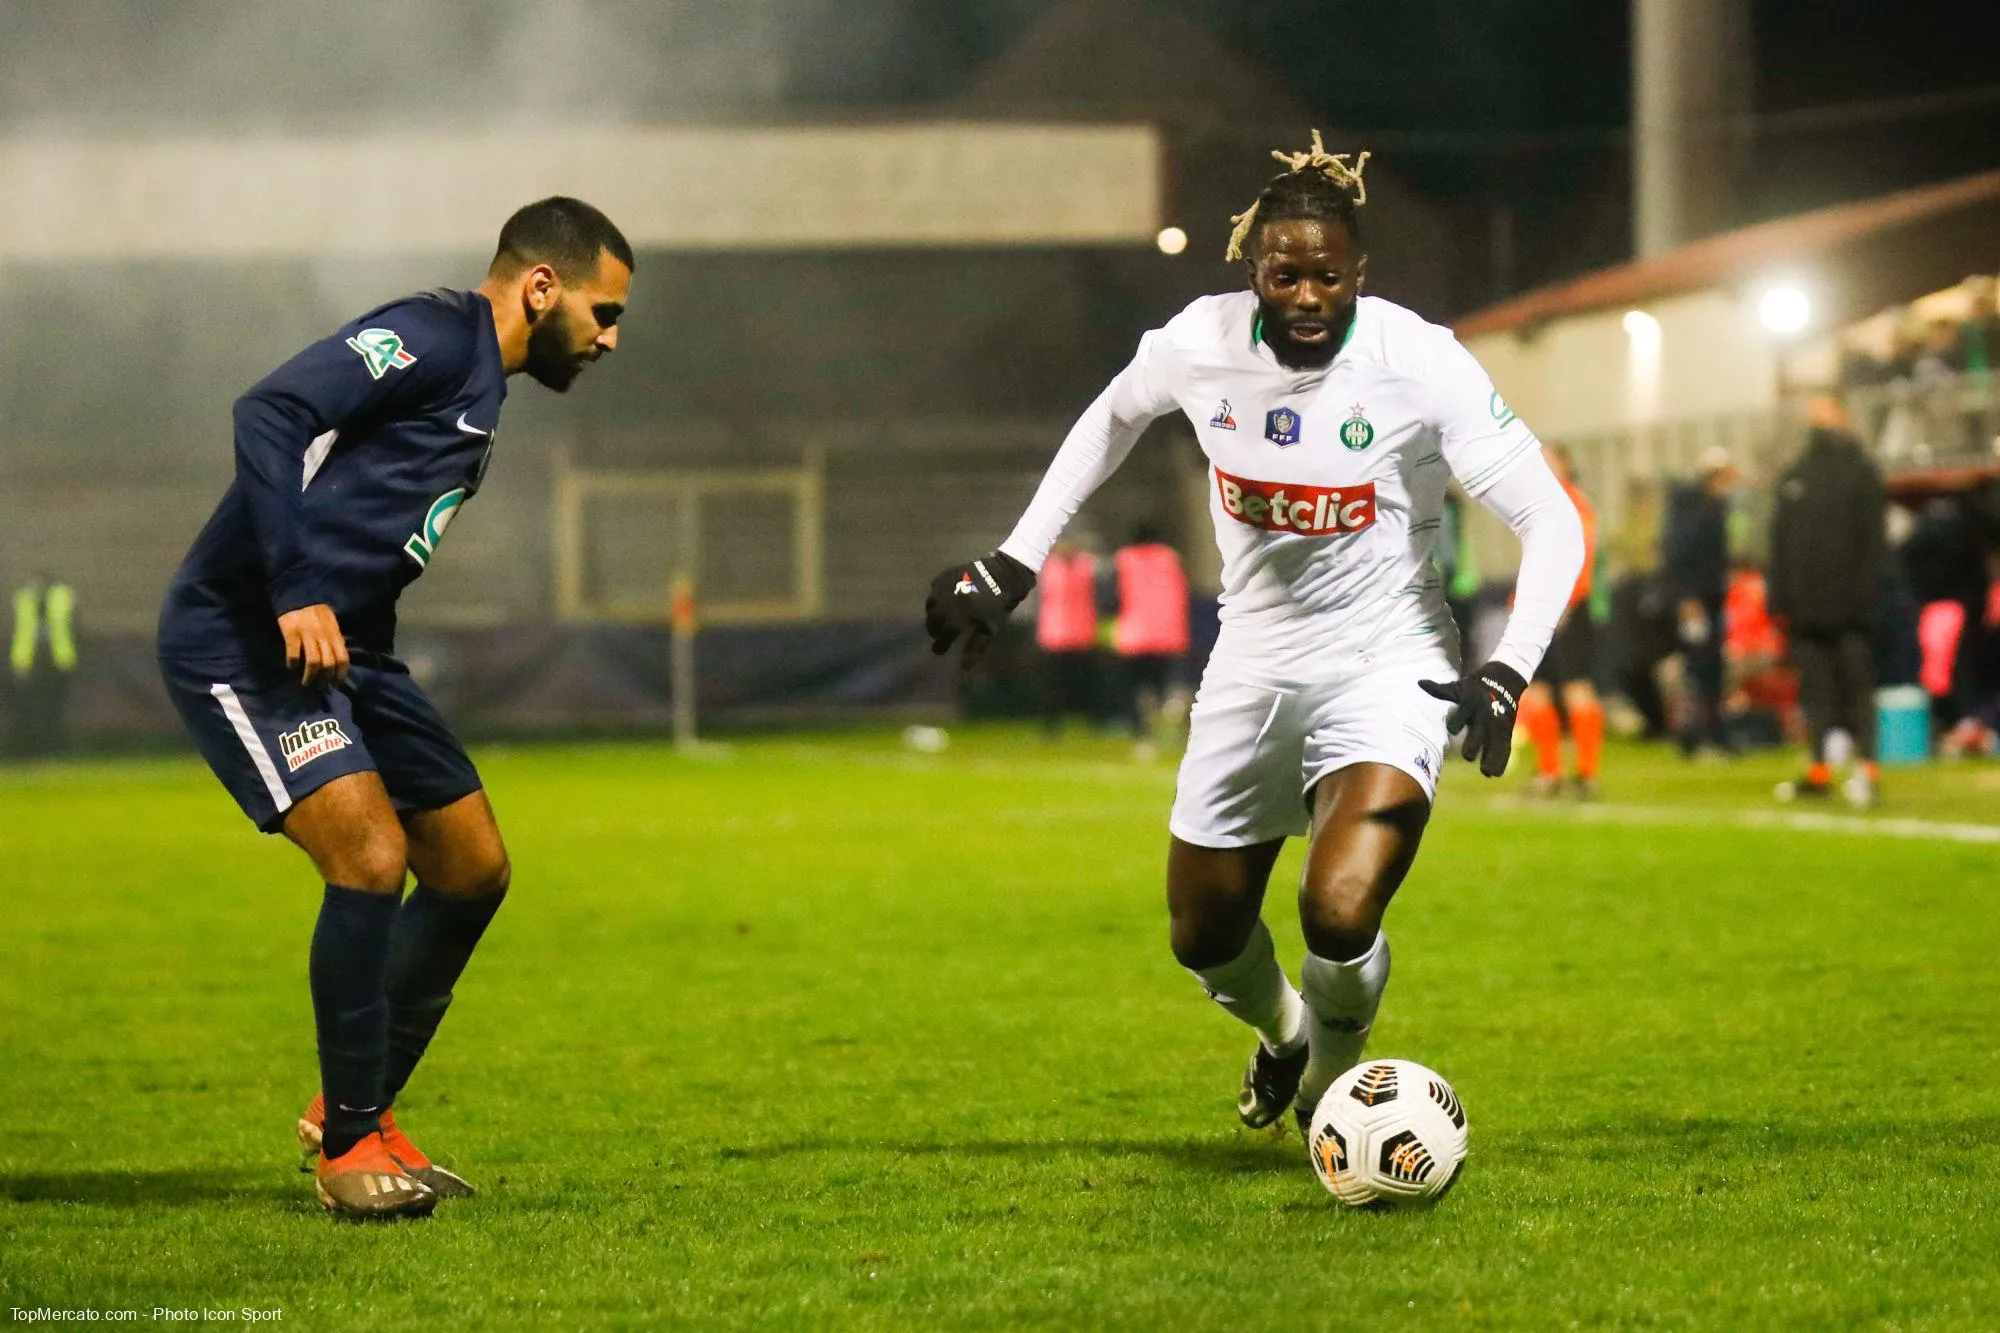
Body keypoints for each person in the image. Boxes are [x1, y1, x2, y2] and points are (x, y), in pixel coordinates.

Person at [923, 134, 1583, 1135]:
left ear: (1358, 273)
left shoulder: (1418, 361)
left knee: (1338, 907)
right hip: (1253, 660)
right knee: (1202, 933)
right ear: (1252, 270)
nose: (1308, 293)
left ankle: (1332, 1082)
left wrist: (1504, 670)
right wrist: (1014, 560)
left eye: (1328, 275)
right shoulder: (1198, 342)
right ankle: (1281, 1035)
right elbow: (1107, 420)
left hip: (1390, 662)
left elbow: (1552, 517)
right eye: (1286, 274)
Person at [155, 197, 633, 1219]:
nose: (609, 337)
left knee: (469, 869)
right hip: (245, 637)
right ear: (540, 287)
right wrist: (291, 586)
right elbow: (270, 411)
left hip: (351, 651)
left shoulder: (482, 385)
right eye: (601, 311)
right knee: (369, 857)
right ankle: (348, 1144)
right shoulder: (426, 332)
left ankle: (354, 1105)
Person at [1769, 395, 1888, 806]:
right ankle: (1819, 769)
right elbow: (1779, 542)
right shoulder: (1795, 474)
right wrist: (1779, 598)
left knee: (1856, 688)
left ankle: (1867, 769)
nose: (1817, 419)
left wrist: (1866, 597)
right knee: (1815, 692)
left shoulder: (1861, 472)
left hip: (1850, 609)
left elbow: (1874, 543)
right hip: (1805, 608)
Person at [1517, 447, 1605, 798]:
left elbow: (1581, 556)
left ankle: (1586, 773)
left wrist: (1567, 600)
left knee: (1575, 688)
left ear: (1566, 465)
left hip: (1569, 609)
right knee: (1536, 690)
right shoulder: (1540, 504)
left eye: (1549, 459)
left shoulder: (1574, 503)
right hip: (1539, 610)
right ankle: (1550, 771)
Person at [1661, 446, 1737, 756]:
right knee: (1699, 670)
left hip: (1710, 599)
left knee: (1710, 669)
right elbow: (1681, 555)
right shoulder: (1696, 509)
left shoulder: (1712, 506)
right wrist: (1687, 598)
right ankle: (1697, 737)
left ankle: (1709, 735)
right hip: (1697, 601)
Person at [1112, 524, 1190, 752]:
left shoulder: (1125, 558)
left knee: (1135, 689)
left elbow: (1115, 595)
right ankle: (1174, 722)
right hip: (1167, 635)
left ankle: (1144, 736)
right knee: (1163, 687)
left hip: (1134, 636)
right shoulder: (1170, 558)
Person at [7, 572, 79, 756]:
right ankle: (32, 748)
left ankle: (49, 747)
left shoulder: (58, 599)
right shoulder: (27, 600)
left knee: (52, 709)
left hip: (53, 664)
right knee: (32, 710)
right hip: (31, 664)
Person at [1035, 537, 1101, 735]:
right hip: (1055, 636)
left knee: (1085, 683)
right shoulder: (1050, 569)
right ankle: (1051, 725)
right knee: (1054, 686)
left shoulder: (1085, 567)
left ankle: (1093, 722)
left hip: (1081, 635)